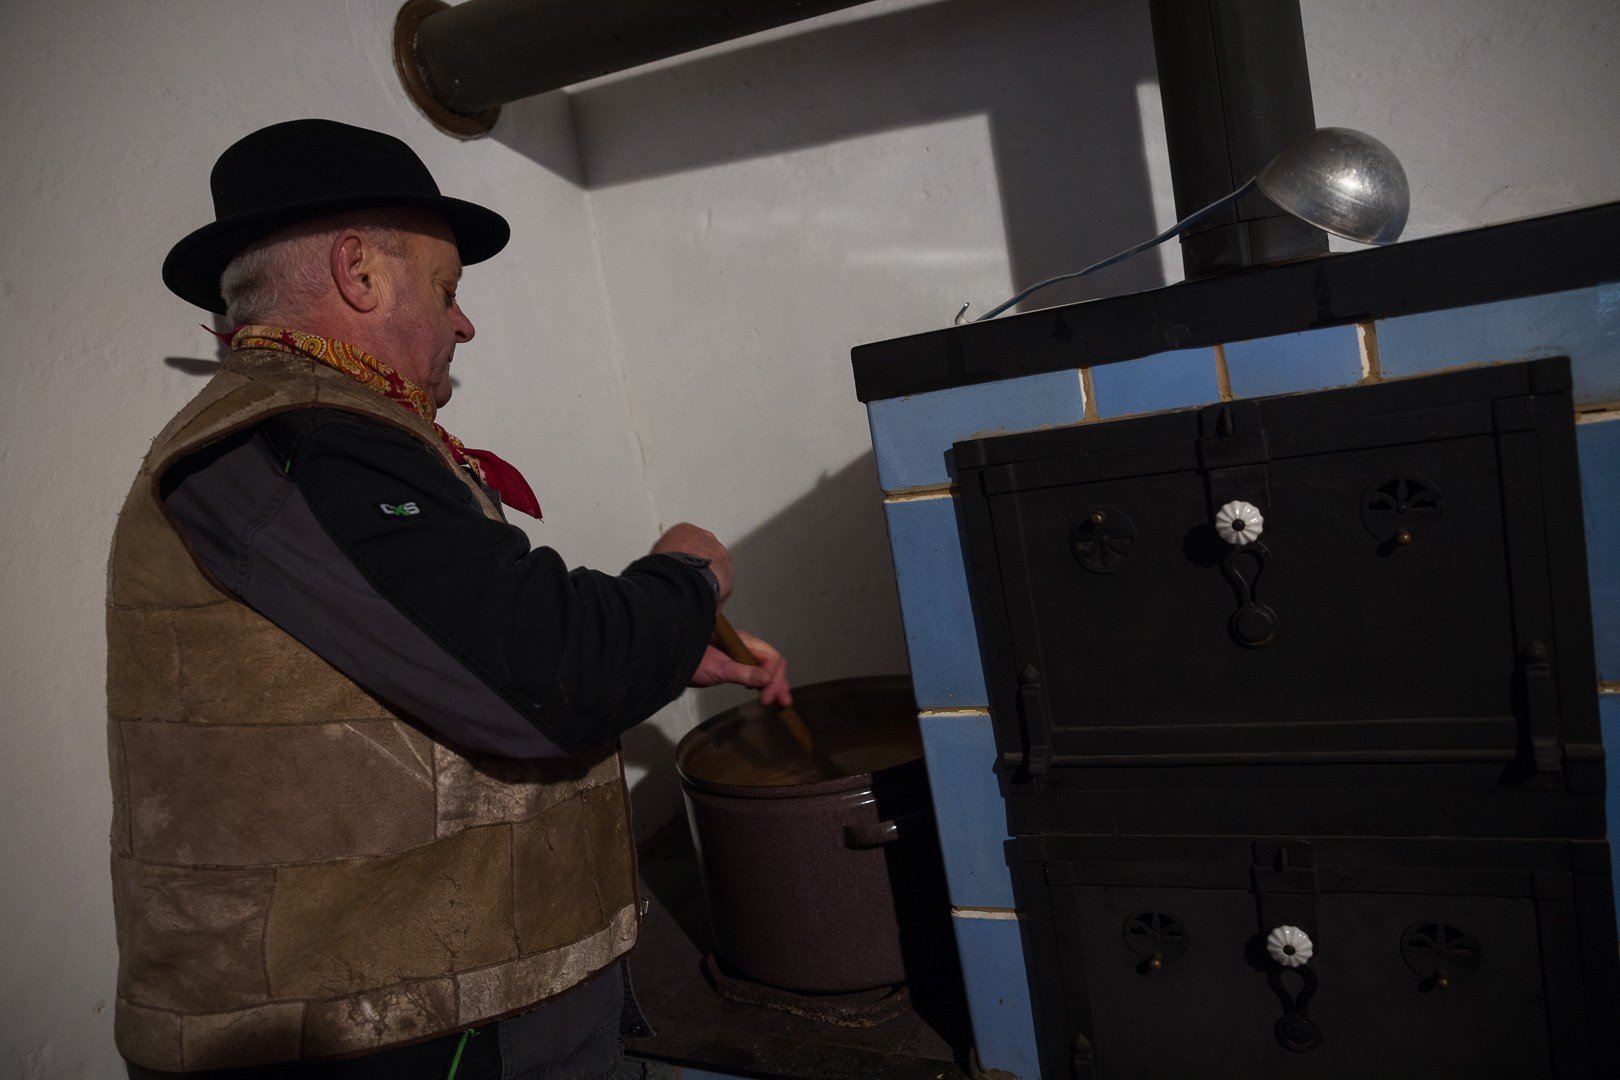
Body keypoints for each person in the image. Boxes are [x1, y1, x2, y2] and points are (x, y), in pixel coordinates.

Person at [108, 118, 788, 1079]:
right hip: (399, 1037)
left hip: (437, 1013)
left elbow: (458, 646)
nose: (464, 324)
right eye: (447, 288)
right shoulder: (294, 439)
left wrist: (672, 643)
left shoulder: (316, 436)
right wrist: (688, 575)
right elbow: (552, 668)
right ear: (358, 272)